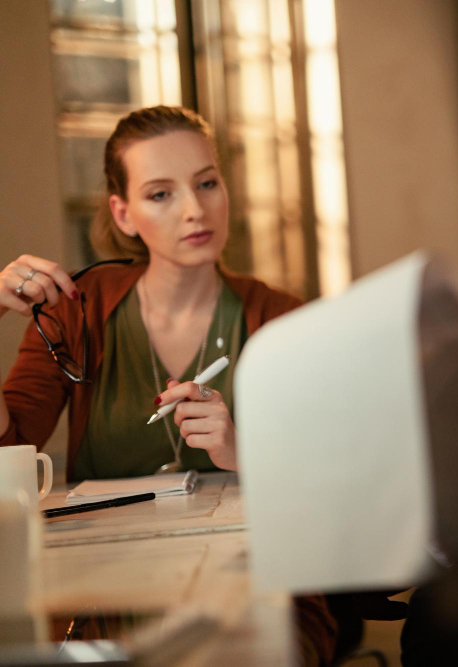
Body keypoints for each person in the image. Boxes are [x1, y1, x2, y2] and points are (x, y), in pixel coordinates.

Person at [0, 106, 300, 481]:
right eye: (160, 194)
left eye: (206, 184)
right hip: (110, 542)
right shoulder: (72, 311)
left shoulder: (284, 319)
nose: (194, 210)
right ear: (123, 215)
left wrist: (244, 453)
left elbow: (335, 463)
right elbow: (7, 460)